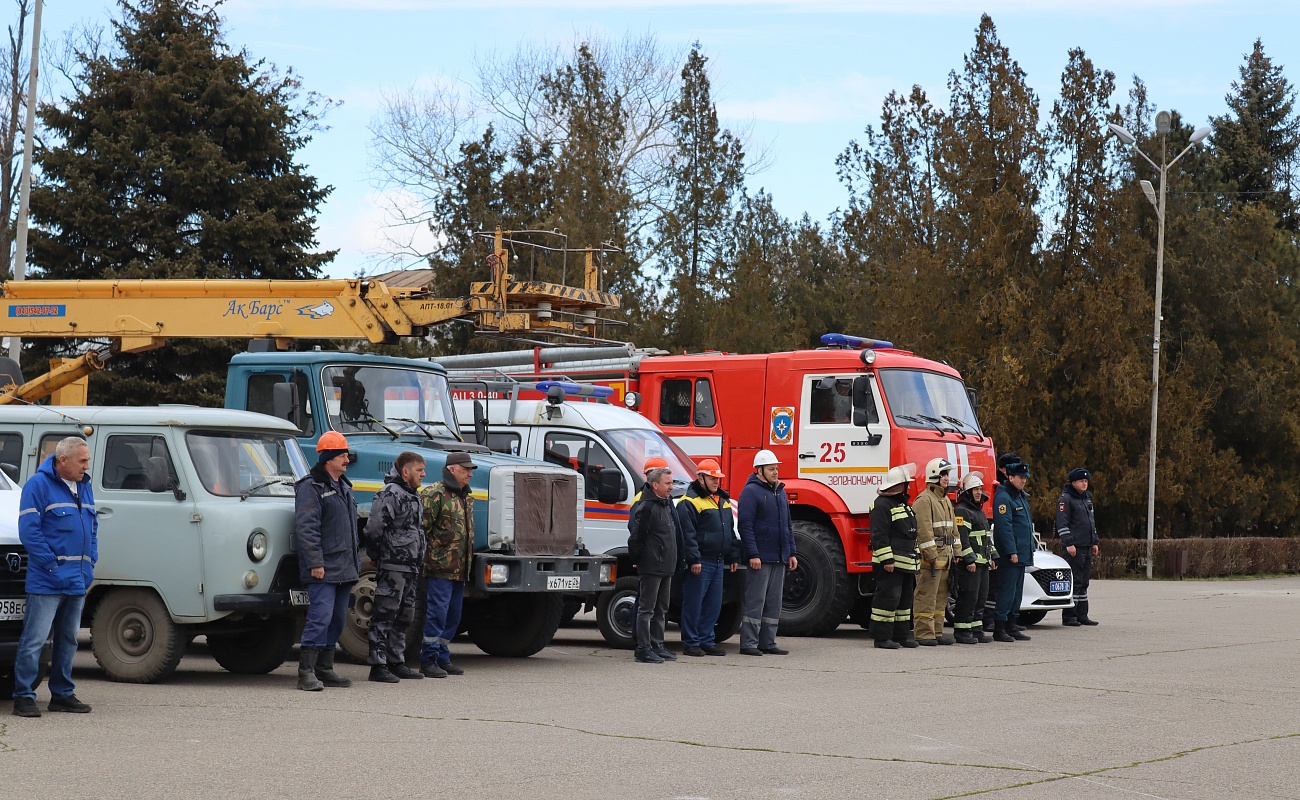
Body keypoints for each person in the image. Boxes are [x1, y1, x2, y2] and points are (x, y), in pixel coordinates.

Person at [11, 437, 96, 718]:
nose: (87, 465)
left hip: (77, 580)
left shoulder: (85, 486)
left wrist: (91, 561)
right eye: (82, 460)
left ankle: (62, 694)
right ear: (63, 460)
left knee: (69, 639)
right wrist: (51, 565)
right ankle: (23, 696)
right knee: (35, 639)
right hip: (48, 580)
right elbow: (29, 531)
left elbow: (91, 528)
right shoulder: (38, 485)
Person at [295, 430, 361, 691]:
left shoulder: (344, 487)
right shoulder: (311, 487)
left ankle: (324, 669)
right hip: (323, 568)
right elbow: (306, 528)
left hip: (344, 567)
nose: (347, 460)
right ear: (329, 459)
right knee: (319, 618)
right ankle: (305, 672)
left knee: (335, 620)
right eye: (342, 456)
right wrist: (315, 563)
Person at [364, 451, 428, 683]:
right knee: (384, 615)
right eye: (419, 470)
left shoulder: (412, 495)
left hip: (410, 567)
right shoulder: (390, 493)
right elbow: (373, 528)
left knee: (405, 616)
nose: (424, 474)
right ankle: (378, 665)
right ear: (405, 472)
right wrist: (376, 555)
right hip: (393, 565)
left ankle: (395, 661)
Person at [419, 451, 477, 677]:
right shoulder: (434, 494)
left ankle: (443, 656)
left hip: (460, 570)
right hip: (440, 568)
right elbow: (421, 530)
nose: (470, 474)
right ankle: (428, 658)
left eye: (471, 470)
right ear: (452, 470)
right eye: (465, 470)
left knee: (453, 615)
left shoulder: (465, 496)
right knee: (437, 614)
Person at [675, 459, 739, 657]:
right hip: (702, 561)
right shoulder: (689, 502)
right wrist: (694, 560)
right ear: (700, 478)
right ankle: (691, 642)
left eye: (717, 478)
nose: (716, 482)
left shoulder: (722, 500)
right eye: (712, 478)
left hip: (718, 560)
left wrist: (733, 555)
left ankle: (706, 640)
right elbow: (688, 534)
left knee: (713, 604)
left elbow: (729, 530)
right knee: (694, 603)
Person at [736, 449, 797, 657]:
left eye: (777, 468)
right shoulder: (750, 492)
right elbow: (745, 525)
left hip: (779, 557)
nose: (776, 472)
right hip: (760, 558)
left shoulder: (780, 492)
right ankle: (749, 643)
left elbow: (787, 525)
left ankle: (768, 642)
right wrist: (753, 554)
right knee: (756, 600)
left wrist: (791, 552)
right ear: (759, 470)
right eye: (771, 469)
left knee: (773, 602)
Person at [627, 467, 680, 663]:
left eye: (671, 483)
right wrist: (637, 560)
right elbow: (636, 538)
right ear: (655, 485)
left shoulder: (666, 505)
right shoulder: (647, 506)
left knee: (661, 609)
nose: (671, 487)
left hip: (666, 565)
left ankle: (658, 645)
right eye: (667, 483)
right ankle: (643, 648)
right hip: (651, 566)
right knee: (646, 608)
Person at [868, 464, 920, 650]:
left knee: (904, 602)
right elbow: (879, 535)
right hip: (890, 564)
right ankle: (882, 638)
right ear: (899, 485)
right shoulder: (881, 505)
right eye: (906, 484)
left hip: (905, 563)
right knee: (887, 600)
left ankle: (901, 636)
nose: (908, 487)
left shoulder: (902, 504)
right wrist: (887, 560)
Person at [912, 457, 958, 646]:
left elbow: (954, 530)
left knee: (940, 598)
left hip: (945, 557)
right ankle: (924, 633)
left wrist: (958, 552)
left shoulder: (945, 500)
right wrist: (931, 555)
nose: (947, 478)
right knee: (926, 596)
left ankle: (937, 631)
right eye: (944, 474)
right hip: (931, 560)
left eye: (947, 474)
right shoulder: (924, 500)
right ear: (935, 476)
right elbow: (924, 531)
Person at [992, 459, 1034, 643]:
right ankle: (999, 627)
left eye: (1025, 477)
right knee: (1007, 592)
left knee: (1016, 593)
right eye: (1020, 477)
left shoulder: (1020, 496)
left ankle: (1012, 625)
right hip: (1012, 555)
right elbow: (1004, 528)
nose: (1023, 480)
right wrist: (1011, 552)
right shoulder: (1004, 497)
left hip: (1022, 553)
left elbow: (1025, 527)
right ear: (1010, 477)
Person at [954, 472, 997, 644]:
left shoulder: (978, 511)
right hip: (970, 565)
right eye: (975, 489)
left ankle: (976, 630)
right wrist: (969, 559)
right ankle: (963, 631)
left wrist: (993, 556)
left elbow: (987, 537)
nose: (979, 492)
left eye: (980, 489)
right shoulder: (962, 511)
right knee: (968, 597)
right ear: (967, 492)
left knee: (981, 598)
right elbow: (962, 538)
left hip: (983, 563)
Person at [1057, 468, 1100, 626]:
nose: (1084, 483)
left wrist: (1094, 541)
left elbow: (1091, 523)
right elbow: (1062, 524)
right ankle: (1070, 617)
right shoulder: (1066, 499)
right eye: (1081, 481)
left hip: (1086, 545)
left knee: (1084, 582)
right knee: (1075, 582)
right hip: (1074, 547)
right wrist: (1069, 543)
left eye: (1086, 481)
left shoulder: (1086, 499)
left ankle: (1082, 615)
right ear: (1073, 482)